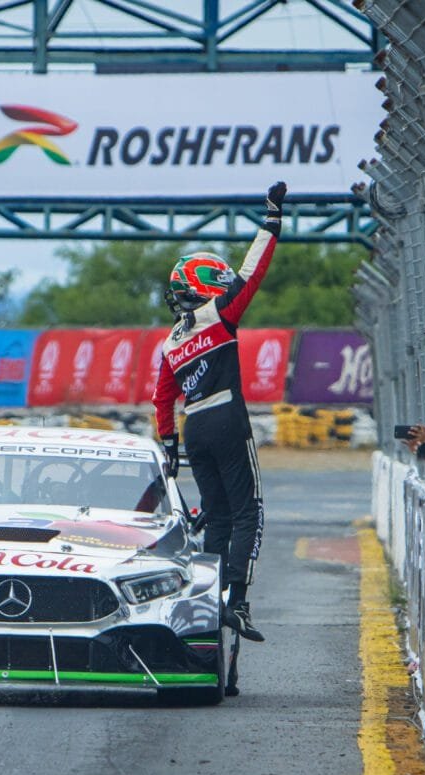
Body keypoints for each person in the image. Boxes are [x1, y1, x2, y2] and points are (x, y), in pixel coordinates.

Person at [153, 181, 287, 644]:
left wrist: (169, 449)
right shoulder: (219, 315)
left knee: (217, 515)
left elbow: (161, 400)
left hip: (194, 430)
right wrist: (272, 222)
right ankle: (239, 602)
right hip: (229, 418)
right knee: (251, 511)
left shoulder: (170, 341)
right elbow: (253, 274)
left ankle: (210, 602)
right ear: (209, 285)